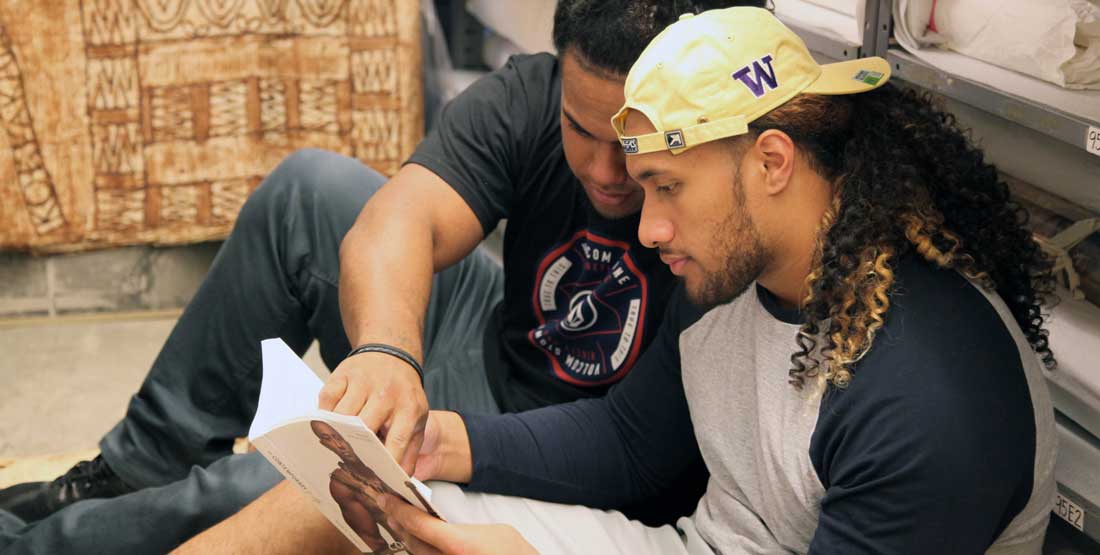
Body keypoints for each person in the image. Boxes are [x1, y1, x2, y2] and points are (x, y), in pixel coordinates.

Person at [179, 6, 1059, 554]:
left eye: (666, 189)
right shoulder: (736, 275)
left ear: (773, 162)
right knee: (334, 503)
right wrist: (427, 447)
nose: (647, 227)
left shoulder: (929, 399)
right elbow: (631, 444)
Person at [0, 1, 768, 553]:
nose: (606, 173)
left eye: (633, 149)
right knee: (310, 190)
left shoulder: (730, 218)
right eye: (579, 129)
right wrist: (389, 355)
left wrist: (425, 443)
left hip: (577, 452)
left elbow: (629, 445)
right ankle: (134, 470)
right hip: (499, 364)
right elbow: (400, 218)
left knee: (289, 491)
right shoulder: (532, 95)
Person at [311, 421, 406, 553]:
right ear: (324, 444)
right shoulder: (342, 486)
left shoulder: (389, 446)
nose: (340, 445)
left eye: (339, 437)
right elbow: (377, 547)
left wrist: (363, 488)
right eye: (329, 439)